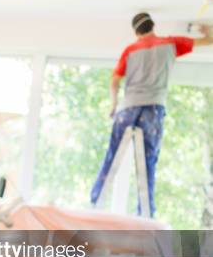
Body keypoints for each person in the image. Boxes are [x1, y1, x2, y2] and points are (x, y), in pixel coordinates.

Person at [90, 13, 213, 216]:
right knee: (148, 161)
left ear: (135, 32)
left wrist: (113, 105)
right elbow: (209, 41)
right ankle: (146, 211)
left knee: (112, 155)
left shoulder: (130, 50)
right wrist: (207, 31)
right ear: (153, 26)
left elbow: (114, 82)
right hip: (153, 109)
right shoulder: (171, 43)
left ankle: (96, 200)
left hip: (127, 108)